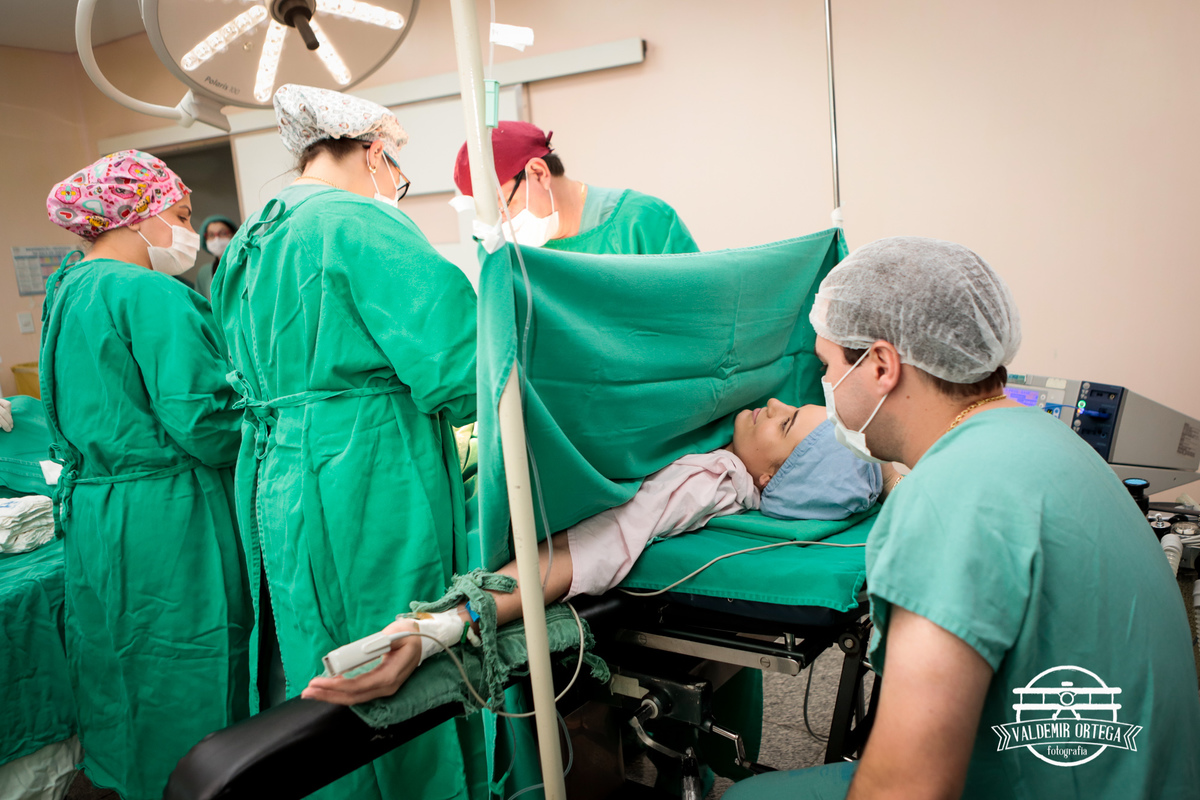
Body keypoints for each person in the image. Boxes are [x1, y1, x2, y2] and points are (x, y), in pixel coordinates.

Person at [715, 237, 1200, 799]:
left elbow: (905, 789)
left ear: (881, 366)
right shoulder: (1042, 436)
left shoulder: (946, 499)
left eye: (827, 367)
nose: (822, 388)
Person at [210, 85, 480, 800]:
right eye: (396, 168)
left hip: (276, 471)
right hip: (364, 465)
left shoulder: (251, 238)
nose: (395, 183)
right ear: (372, 150)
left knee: (312, 650)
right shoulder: (357, 221)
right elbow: (462, 364)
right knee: (393, 648)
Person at [302, 399, 894, 704]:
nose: (775, 404)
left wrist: (443, 625)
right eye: (791, 408)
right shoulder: (733, 459)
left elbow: (593, 550)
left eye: (784, 425)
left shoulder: (706, 481)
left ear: (767, 479)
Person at [41, 150, 252, 800]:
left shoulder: (69, 289)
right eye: (182, 215)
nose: (188, 230)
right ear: (137, 214)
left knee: (118, 659)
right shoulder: (150, 293)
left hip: (98, 514)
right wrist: (267, 415)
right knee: (187, 663)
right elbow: (204, 421)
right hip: (169, 514)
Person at [453, 121, 699, 255]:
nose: (503, 225)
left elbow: (695, 315)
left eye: (504, 206)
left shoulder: (642, 221)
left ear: (539, 173)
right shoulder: (509, 254)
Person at [196, 214, 239, 298]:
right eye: (211, 235)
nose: (217, 239)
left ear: (233, 234)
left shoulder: (244, 263)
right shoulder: (204, 273)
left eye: (223, 233)